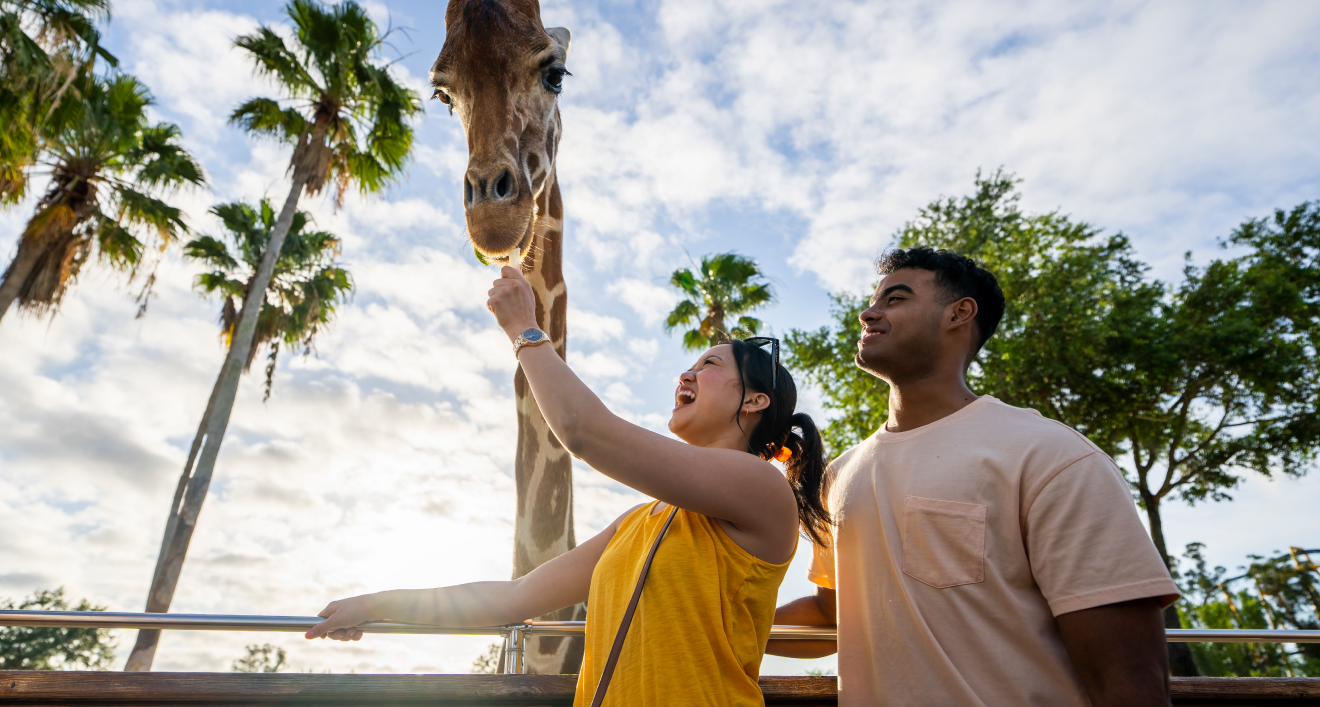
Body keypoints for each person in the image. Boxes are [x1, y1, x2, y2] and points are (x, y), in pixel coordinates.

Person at [307, 265, 831, 707]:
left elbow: (584, 432)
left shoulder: (762, 487)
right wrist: (379, 603)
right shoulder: (637, 524)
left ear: (755, 401)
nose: (686, 375)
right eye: (690, 364)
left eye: (710, 365)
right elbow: (513, 599)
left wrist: (524, 330)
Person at [768, 247, 1181, 707]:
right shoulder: (838, 476)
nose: (869, 313)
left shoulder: (1049, 455)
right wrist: (700, 621)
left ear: (959, 314)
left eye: (895, 299)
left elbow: (1131, 681)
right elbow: (832, 616)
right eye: (874, 299)